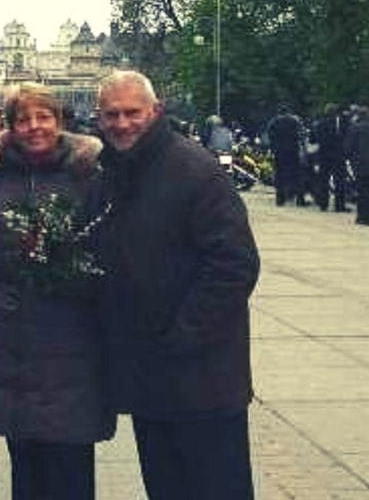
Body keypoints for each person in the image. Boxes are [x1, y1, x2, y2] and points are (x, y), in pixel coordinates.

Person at [91, 71, 260, 500]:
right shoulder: (114, 171)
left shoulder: (193, 169)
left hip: (201, 375)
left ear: (155, 111)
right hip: (153, 376)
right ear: (99, 118)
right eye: (112, 114)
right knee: (168, 486)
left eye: (133, 113)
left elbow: (235, 264)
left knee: (214, 486)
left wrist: (182, 335)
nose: (123, 123)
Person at [0, 83, 114, 500]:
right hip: (11, 339)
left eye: (43, 117)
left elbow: (108, 247)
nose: (34, 127)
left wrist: (69, 269)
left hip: (70, 341)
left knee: (70, 462)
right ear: (10, 127)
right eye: (23, 119)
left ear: (60, 122)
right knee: (26, 461)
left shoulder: (89, 175)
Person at [265, 104, 306, 206]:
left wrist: (273, 148)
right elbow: (301, 135)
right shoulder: (294, 121)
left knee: (279, 175)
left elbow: (270, 137)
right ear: (288, 112)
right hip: (293, 151)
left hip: (279, 152)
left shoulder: (274, 122)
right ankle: (300, 200)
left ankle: (280, 199)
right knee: (296, 175)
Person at [313, 103, 350, 212]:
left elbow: (314, 139)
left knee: (323, 180)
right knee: (339, 181)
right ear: (336, 112)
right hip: (338, 156)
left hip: (323, 155)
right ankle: (339, 206)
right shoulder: (342, 123)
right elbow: (345, 138)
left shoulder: (319, 124)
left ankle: (323, 204)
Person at [344, 106, 369, 225]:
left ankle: (362, 216)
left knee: (361, 191)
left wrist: (350, 160)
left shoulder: (354, 128)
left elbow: (348, 148)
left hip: (360, 165)